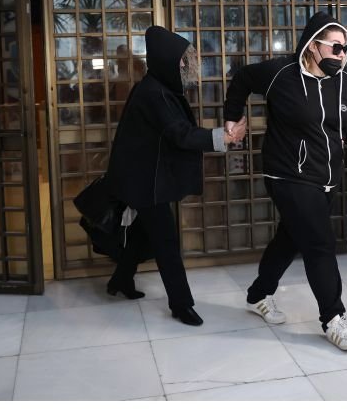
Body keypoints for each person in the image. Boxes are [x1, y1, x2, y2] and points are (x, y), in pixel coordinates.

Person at [223, 12, 347, 351]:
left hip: (326, 177)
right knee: (319, 243)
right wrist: (232, 118)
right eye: (335, 47)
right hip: (287, 174)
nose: (342, 54)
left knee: (291, 237)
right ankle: (333, 318)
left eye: (346, 48)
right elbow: (242, 79)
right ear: (312, 45)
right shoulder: (280, 73)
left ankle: (258, 294)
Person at [104, 25, 246, 326]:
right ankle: (181, 305)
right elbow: (180, 134)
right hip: (144, 181)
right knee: (166, 242)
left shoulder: (156, 88)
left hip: (143, 178)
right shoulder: (154, 93)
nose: (185, 64)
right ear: (165, 59)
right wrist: (224, 137)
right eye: (181, 59)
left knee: (143, 233)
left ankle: (121, 279)